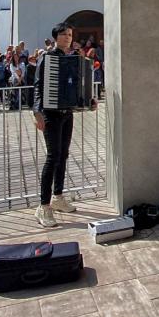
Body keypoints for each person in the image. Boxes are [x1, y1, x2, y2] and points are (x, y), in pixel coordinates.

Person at [32, 23, 97, 228]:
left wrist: (88, 100)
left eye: (70, 34)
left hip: (67, 113)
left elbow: (78, 84)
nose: (68, 37)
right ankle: (43, 206)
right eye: (64, 34)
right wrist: (37, 112)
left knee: (63, 155)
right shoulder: (47, 57)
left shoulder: (73, 58)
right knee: (52, 157)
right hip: (50, 114)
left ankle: (58, 197)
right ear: (55, 37)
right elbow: (38, 86)